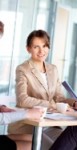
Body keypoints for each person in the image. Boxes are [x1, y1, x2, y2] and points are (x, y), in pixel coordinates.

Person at [8, 29, 77, 149]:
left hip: (49, 124)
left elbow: (58, 97)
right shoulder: (22, 69)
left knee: (70, 144)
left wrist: (75, 103)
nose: (41, 51)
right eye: (36, 47)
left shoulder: (53, 69)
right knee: (56, 147)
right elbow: (22, 100)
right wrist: (51, 105)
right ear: (28, 49)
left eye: (44, 46)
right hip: (29, 125)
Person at [0, 20, 44, 150]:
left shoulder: (52, 69)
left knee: (33, 139)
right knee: (31, 145)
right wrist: (28, 114)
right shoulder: (22, 69)